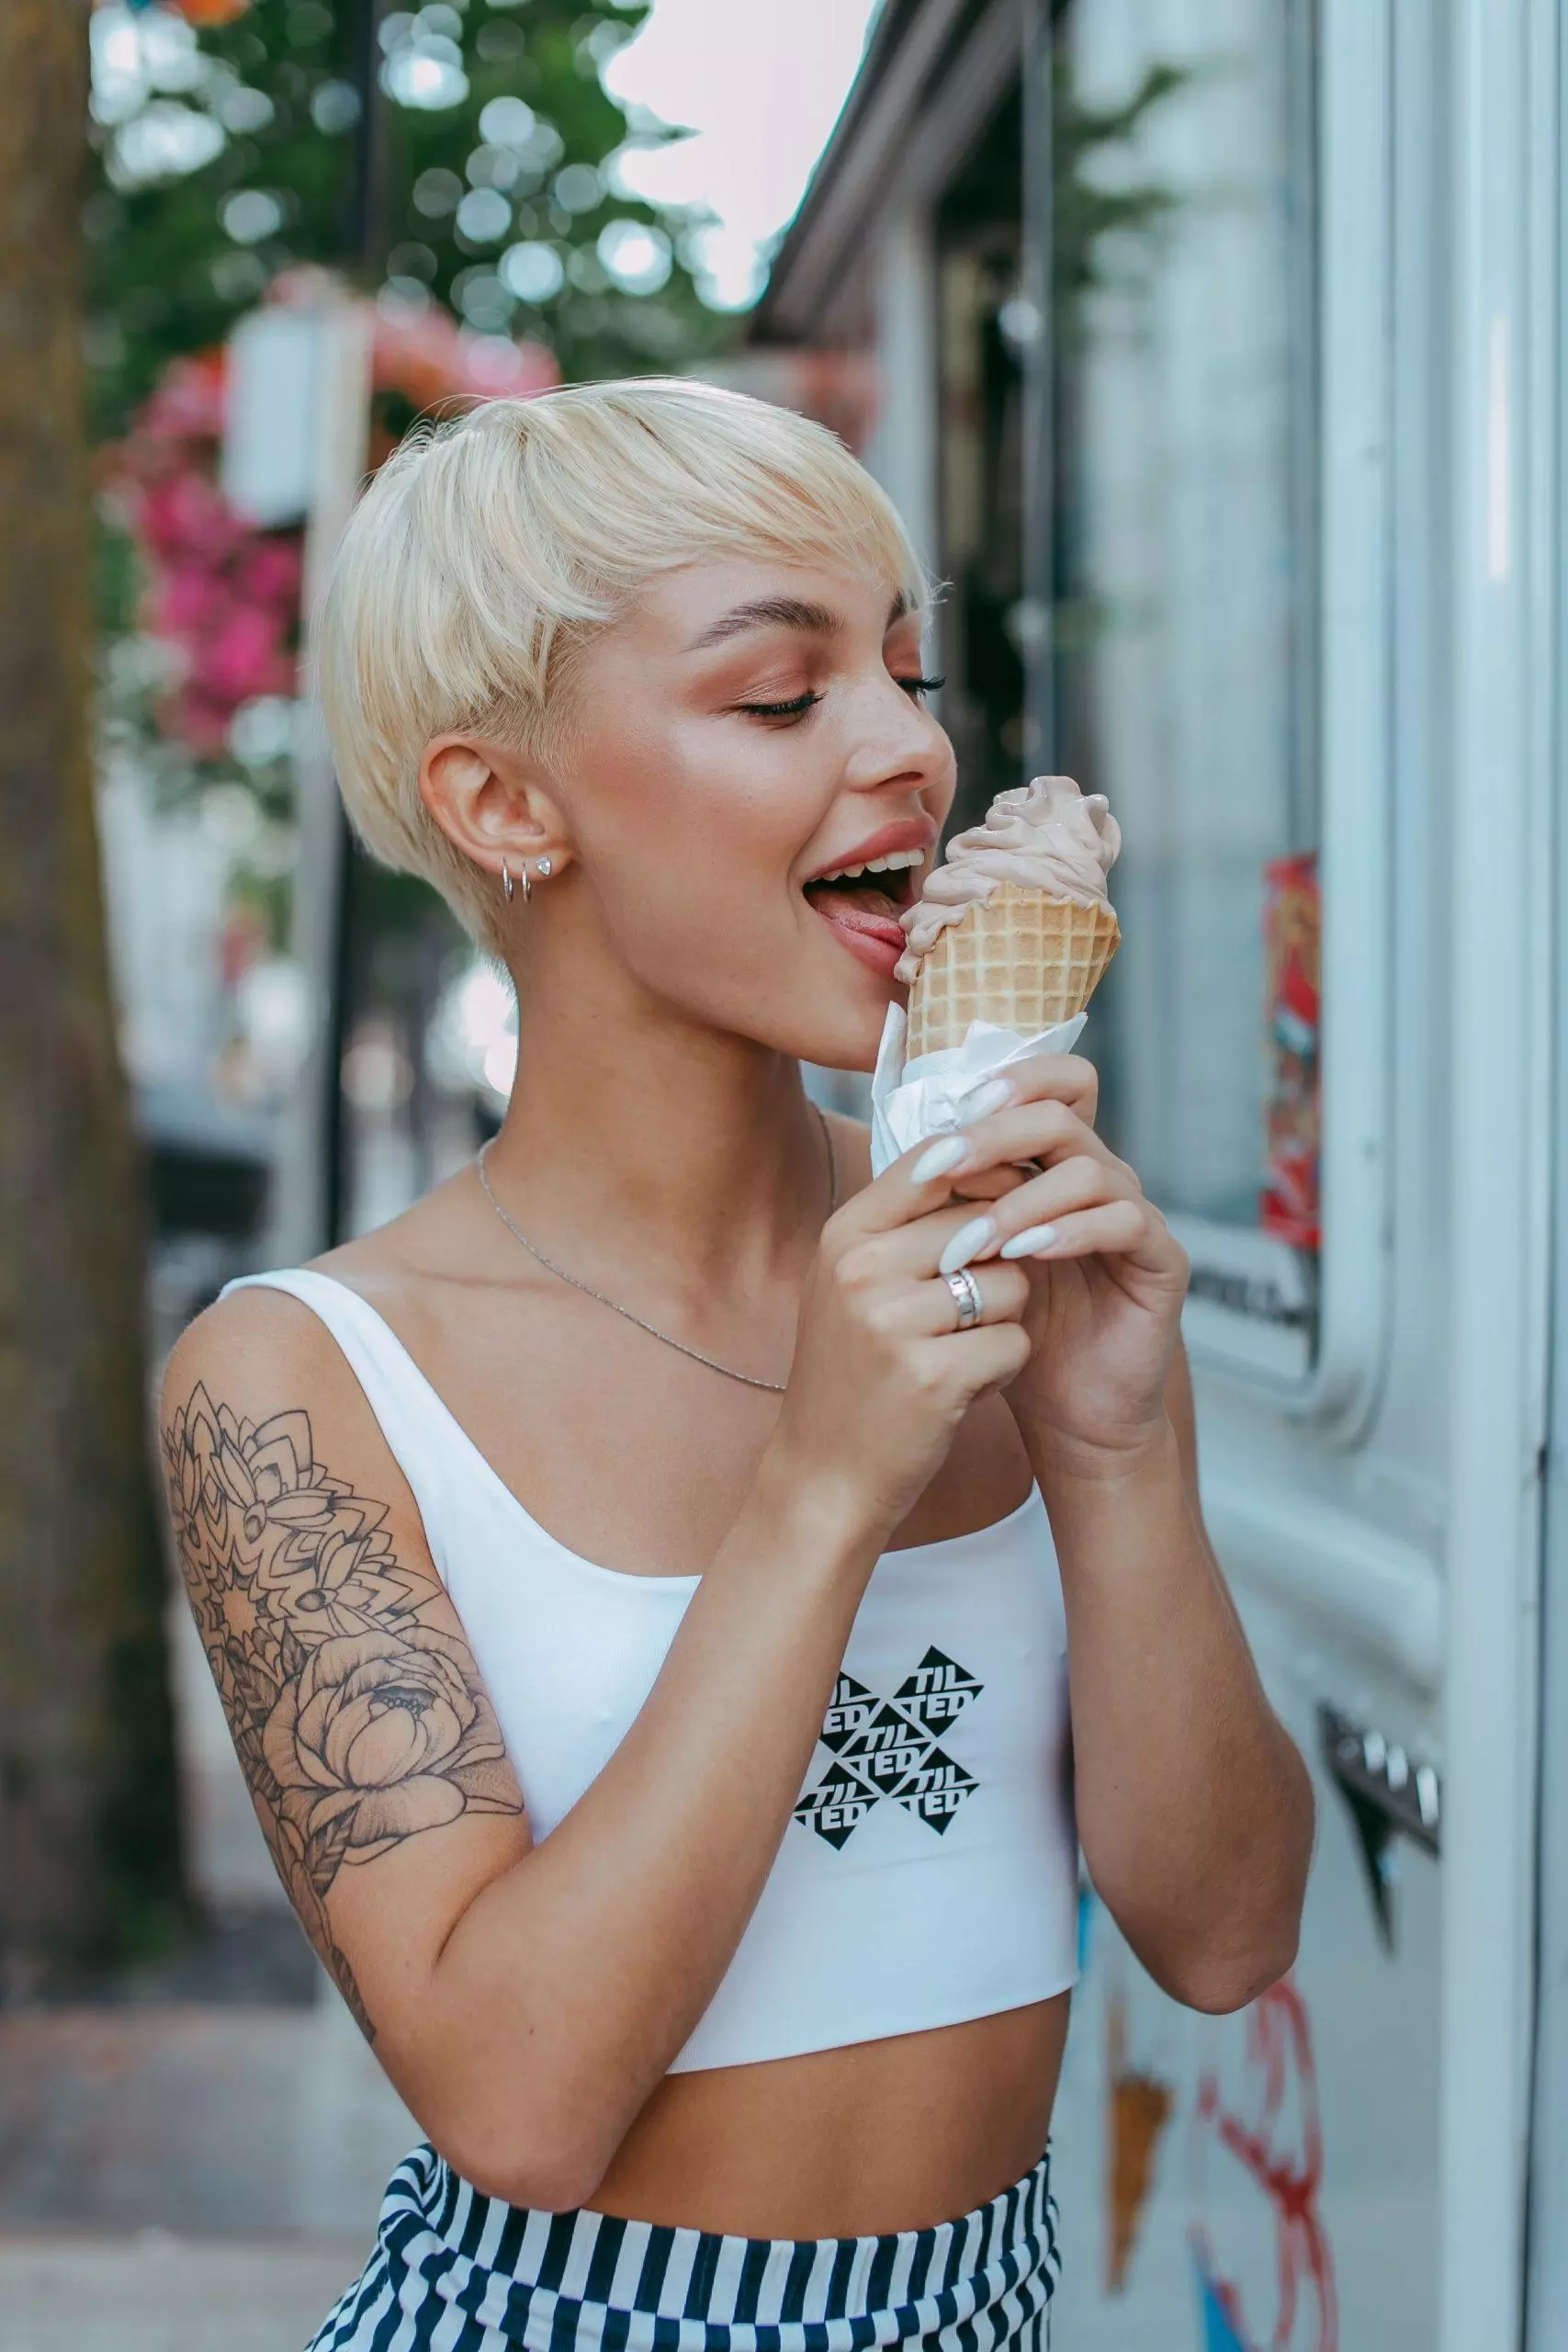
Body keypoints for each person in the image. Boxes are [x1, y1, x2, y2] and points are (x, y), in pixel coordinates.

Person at [159, 379, 1313, 2350]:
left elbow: (1221, 1938)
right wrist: (818, 1488)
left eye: (904, 667)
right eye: (782, 700)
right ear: (505, 803)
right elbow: (517, 2106)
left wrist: (1116, 1450)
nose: (910, 748)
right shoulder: (300, 1377)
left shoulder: (1000, 1248)